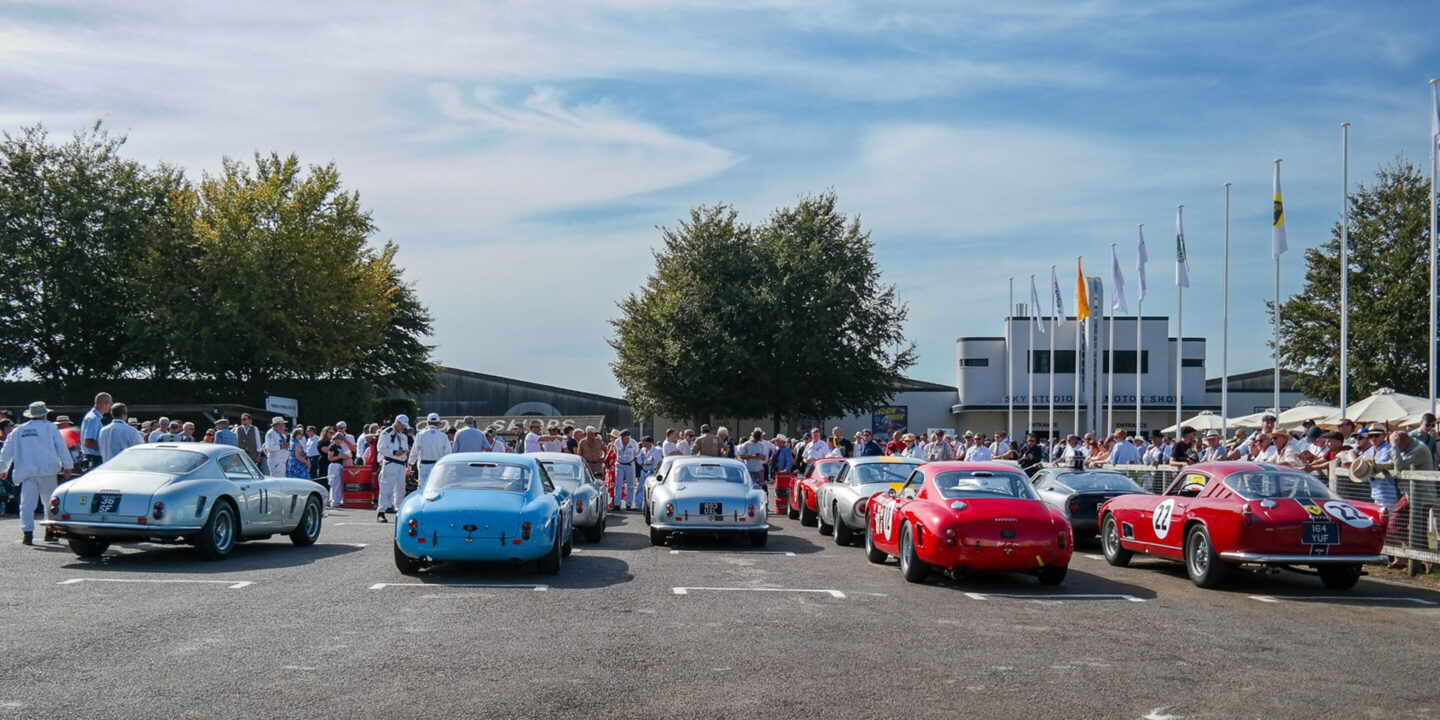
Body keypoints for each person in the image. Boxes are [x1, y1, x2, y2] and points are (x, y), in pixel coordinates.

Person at [0, 402, 73, 544]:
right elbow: (61, 447)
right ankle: (50, 531)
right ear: (44, 414)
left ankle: (27, 533)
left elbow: (6, 452)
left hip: (27, 472)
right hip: (48, 471)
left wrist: (3, 469)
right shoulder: (50, 428)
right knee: (49, 503)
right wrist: (67, 466)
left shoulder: (19, 430)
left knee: (27, 504)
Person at [375, 415, 412, 522]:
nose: (403, 428)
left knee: (401, 489)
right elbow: (381, 449)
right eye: (402, 425)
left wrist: (406, 453)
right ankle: (381, 512)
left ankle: (399, 511)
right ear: (397, 422)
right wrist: (394, 452)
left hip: (401, 464)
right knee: (386, 488)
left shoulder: (403, 436)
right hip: (390, 463)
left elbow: (404, 449)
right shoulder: (386, 433)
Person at [413, 412, 452, 486]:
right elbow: (448, 453)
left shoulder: (420, 435)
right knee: (437, 487)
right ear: (438, 424)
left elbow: (414, 451)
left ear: (427, 423)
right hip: (438, 466)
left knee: (423, 488)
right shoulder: (443, 436)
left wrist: (410, 464)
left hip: (424, 465)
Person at [79, 392, 112, 471]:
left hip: (92, 459)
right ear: (106, 403)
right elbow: (88, 443)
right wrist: (106, 449)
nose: (111, 406)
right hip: (94, 459)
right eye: (111, 404)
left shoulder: (93, 417)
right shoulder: (93, 419)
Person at [611, 430, 639, 510]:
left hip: (629, 465)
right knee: (618, 484)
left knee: (630, 485)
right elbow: (615, 452)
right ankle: (617, 504)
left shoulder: (633, 443)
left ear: (628, 438)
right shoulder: (617, 442)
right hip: (619, 464)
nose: (622, 439)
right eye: (621, 438)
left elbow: (636, 453)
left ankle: (629, 504)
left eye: (624, 438)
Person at [326, 431, 352, 508]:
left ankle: (336, 500)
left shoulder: (339, 447)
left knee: (338, 484)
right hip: (334, 465)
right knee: (335, 484)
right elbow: (330, 458)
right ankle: (334, 501)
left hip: (339, 465)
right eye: (340, 439)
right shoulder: (332, 446)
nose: (341, 441)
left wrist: (345, 456)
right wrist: (340, 456)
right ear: (336, 439)